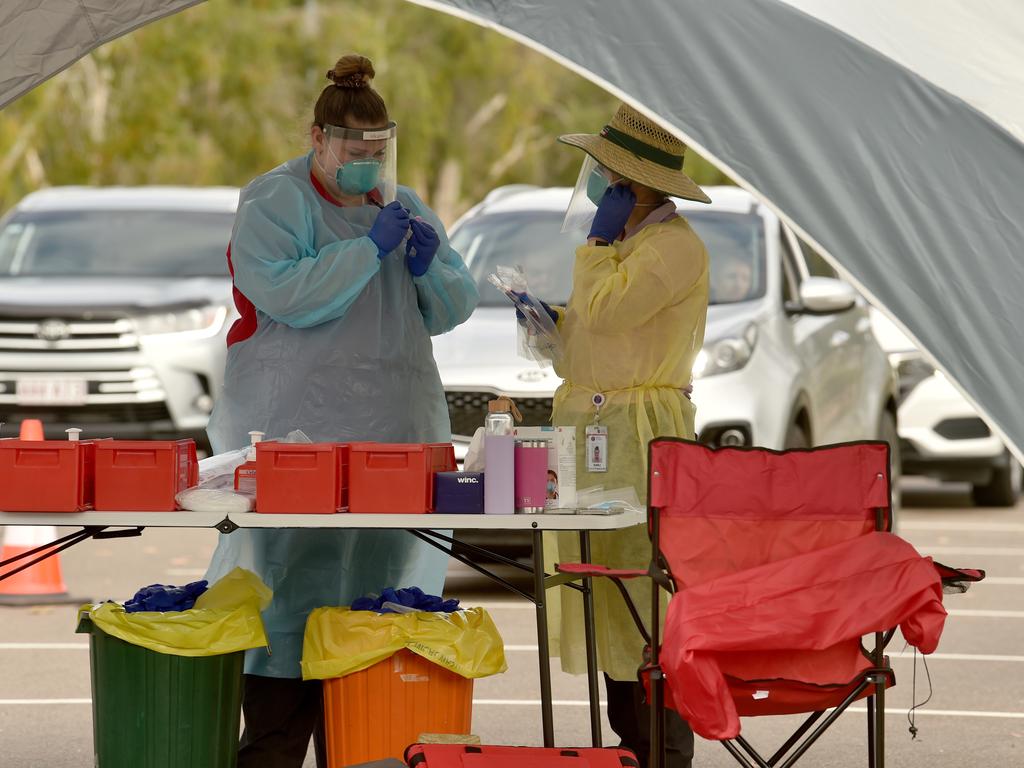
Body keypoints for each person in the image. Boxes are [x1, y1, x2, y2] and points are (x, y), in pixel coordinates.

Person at [203, 54, 478, 768]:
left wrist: (428, 267)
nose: (367, 165)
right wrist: (366, 249)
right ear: (317, 137)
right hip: (296, 433)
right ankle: (271, 752)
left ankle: (364, 748)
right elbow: (286, 295)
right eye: (354, 153)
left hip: (394, 436)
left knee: (375, 608)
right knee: (289, 602)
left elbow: (451, 308)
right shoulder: (275, 201)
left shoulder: (403, 204)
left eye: (377, 152)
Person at [540, 103, 711, 768]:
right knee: (607, 593)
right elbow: (595, 340)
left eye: (604, 173)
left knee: (643, 596)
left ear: (631, 185)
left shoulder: (673, 247)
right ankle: (631, 746)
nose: (593, 183)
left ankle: (664, 749)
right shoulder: (629, 244)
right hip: (597, 430)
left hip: (641, 439)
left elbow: (610, 311)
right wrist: (551, 326)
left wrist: (594, 247)